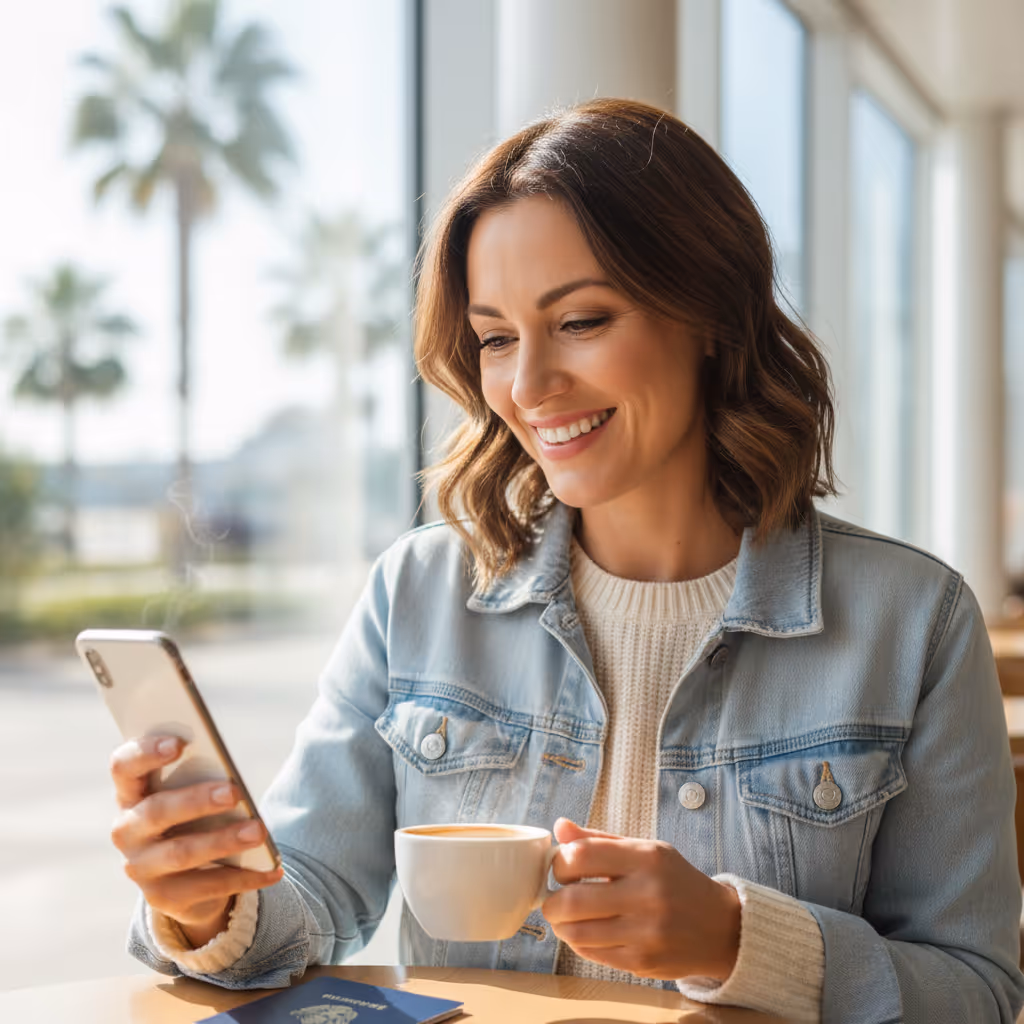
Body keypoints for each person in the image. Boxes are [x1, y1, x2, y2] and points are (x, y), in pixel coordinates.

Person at [109, 99, 1024, 1022]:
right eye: (497, 337)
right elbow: (307, 900)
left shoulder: (915, 622)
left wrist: (739, 940)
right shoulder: (418, 593)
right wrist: (205, 904)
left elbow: (980, 992)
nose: (530, 385)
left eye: (581, 320)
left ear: (708, 313)